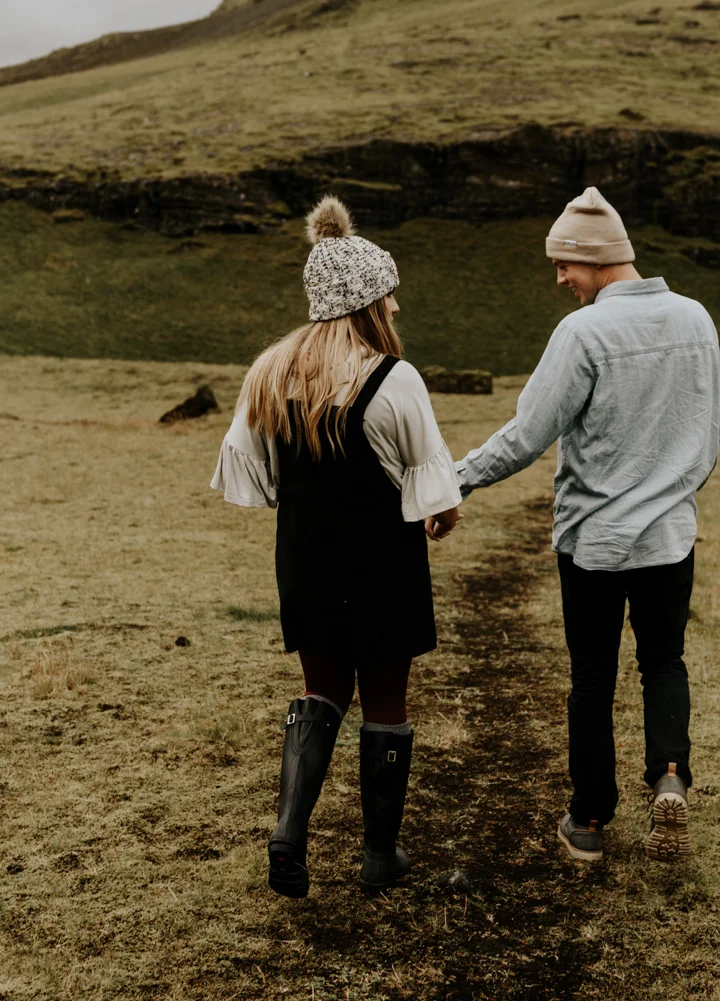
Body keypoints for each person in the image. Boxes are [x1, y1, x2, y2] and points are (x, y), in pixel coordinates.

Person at [453, 187, 720, 863]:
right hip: (669, 540)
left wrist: (453, 479)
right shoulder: (697, 320)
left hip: (595, 546)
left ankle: (590, 820)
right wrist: (674, 497)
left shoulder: (584, 333)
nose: (560, 279)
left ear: (594, 258)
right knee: (664, 660)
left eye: (564, 265)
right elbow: (705, 441)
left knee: (593, 678)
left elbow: (527, 434)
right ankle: (669, 777)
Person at [211, 196, 464, 897]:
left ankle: (288, 834)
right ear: (365, 304)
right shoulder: (394, 377)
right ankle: (379, 858)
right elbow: (438, 496)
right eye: (390, 297)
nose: (397, 309)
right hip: (383, 561)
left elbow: (252, 475)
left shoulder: (269, 373)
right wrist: (441, 516)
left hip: (305, 558)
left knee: (320, 690)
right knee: (385, 701)